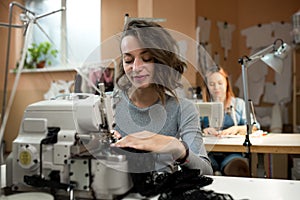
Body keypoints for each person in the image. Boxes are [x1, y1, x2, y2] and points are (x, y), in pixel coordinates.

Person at [110, 20, 213, 176]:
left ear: (161, 60)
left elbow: (206, 170)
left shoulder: (183, 109)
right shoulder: (107, 105)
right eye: (128, 60)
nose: (136, 68)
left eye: (146, 58)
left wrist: (178, 148)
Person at [201, 65, 259, 176]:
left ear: (227, 83)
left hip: (232, 153)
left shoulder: (239, 104)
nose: (216, 88)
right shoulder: (201, 106)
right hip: (208, 153)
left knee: (238, 168)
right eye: (212, 84)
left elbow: (255, 127)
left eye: (220, 83)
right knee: (201, 169)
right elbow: (191, 129)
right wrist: (204, 130)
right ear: (207, 86)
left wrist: (236, 129)